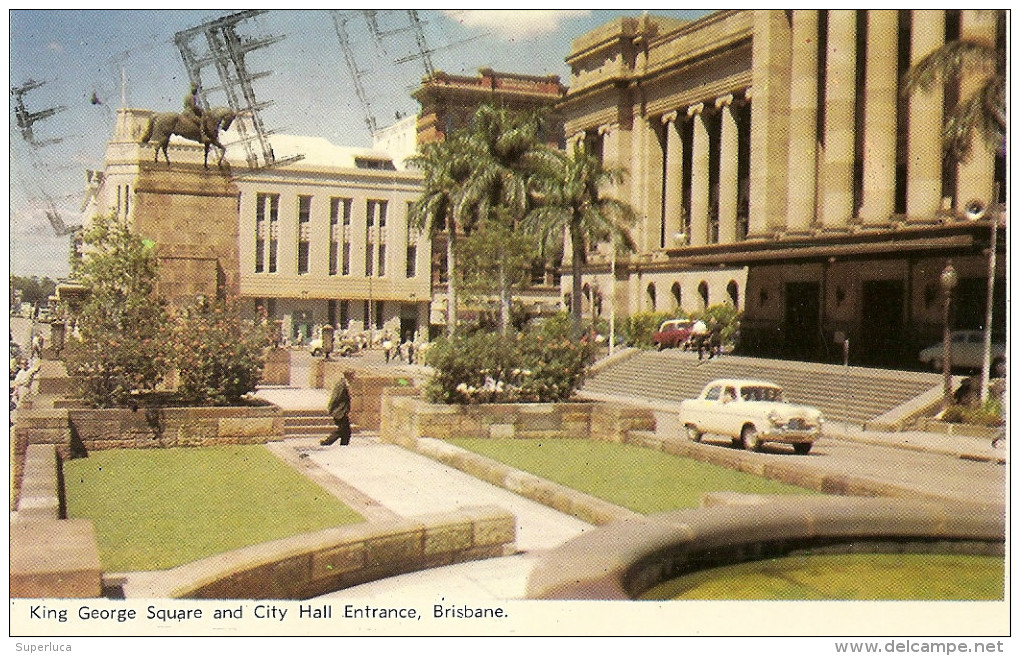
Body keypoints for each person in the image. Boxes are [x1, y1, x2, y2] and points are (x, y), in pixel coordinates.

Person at [321, 371, 353, 447]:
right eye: (352, 376)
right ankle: (326, 442)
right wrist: (330, 408)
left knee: (345, 431)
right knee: (343, 430)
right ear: (348, 376)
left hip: (342, 411)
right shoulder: (341, 385)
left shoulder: (344, 384)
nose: (353, 378)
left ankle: (343, 446)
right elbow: (335, 398)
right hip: (339, 412)